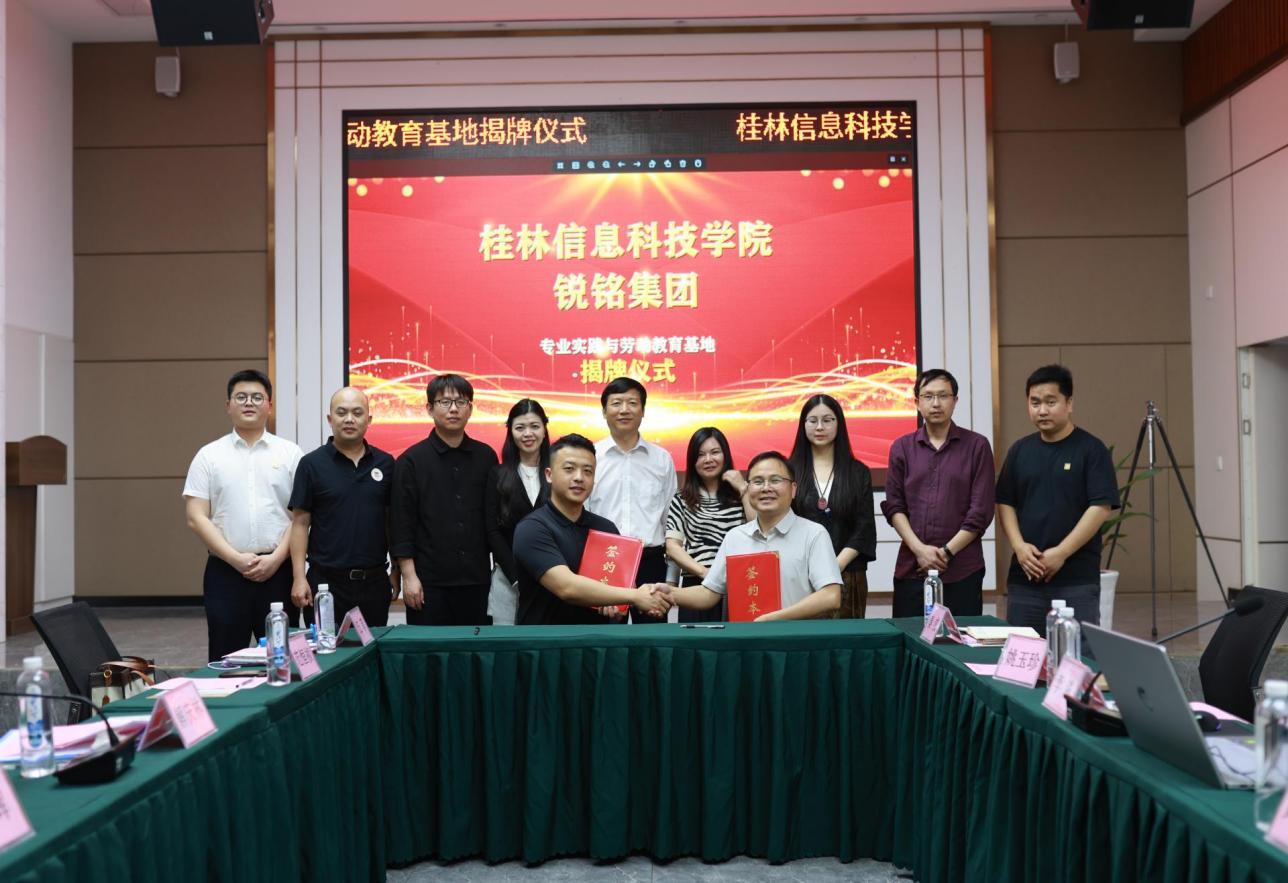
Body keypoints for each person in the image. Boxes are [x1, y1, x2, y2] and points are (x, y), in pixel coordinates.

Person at [183, 369, 303, 661]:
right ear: (228, 405)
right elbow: (196, 516)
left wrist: (276, 559)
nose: (249, 403)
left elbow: (300, 517)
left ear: (269, 405)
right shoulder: (208, 456)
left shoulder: (290, 454)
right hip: (226, 573)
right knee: (226, 659)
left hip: (279, 571)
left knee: (281, 659)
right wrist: (235, 559)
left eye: (257, 397)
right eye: (241, 397)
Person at [996, 364, 1119, 633]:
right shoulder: (1020, 450)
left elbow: (1100, 507)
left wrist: (1061, 553)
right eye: (1035, 403)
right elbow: (1005, 502)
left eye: (1051, 402)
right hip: (1025, 579)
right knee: (1024, 654)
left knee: (1076, 655)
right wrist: (1019, 547)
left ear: (1069, 403)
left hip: (1076, 581)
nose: (1042, 410)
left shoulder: (1091, 449)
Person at [513, 434, 673, 625]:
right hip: (545, 639)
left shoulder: (606, 528)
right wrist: (634, 596)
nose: (579, 477)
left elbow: (618, 595)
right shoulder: (531, 529)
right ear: (549, 475)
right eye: (569, 469)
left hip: (596, 640)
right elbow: (567, 588)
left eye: (587, 471)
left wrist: (619, 608)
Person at [664, 451, 842, 621]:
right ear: (748, 488)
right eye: (757, 481)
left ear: (793, 489)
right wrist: (667, 593)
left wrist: (774, 619)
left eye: (775, 480)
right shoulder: (735, 537)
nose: (766, 488)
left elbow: (830, 596)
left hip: (797, 639)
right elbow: (709, 593)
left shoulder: (813, 534)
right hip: (745, 640)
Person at [882, 369, 996, 618]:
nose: (936, 403)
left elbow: (981, 511)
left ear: (955, 401)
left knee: (961, 638)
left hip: (962, 569)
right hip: (913, 568)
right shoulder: (902, 447)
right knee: (909, 637)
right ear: (917, 402)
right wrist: (920, 551)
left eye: (943, 396)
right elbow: (894, 506)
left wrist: (945, 553)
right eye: (928, 396)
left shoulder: (977, 446)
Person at [390, 374, 498, 626]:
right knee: (430, 649)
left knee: (475, 647)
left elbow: (493, 520)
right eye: (445, 402)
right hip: (428, 583)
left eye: (461, 402)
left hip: (477, 581)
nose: (453, 409)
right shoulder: (411, 461)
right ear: (429, 408)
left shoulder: (486, 457)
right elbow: (401, 523)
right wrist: (409, 576)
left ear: (470, 408)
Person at [287, 387, 398, 628]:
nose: (349, 419)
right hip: (325, 585)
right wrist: (298, 577)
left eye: (357, 413)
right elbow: (300, 524)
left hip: (374, 582)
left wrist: (396, 571)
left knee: (371, 648)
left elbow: (392, 523)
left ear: (369, 419)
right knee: (326, 649)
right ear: (330, 419)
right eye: (341, 412)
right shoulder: (311, 464)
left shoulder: (386, 464)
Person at [585, 376, 678, 620]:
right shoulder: (591, 457)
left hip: (651, 562)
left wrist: (670, 579)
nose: (624, 410)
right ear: (604, 412)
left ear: (643, 411)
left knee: (651, 640)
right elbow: (581, 516)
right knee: (604, 637)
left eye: (632, 403)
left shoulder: (661, 459)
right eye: (616, 403)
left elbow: (671, 522)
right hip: (604, 561)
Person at [787, 394, 876, 618]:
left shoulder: (858, 472)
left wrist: (834, 565)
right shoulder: (788, 471)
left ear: (839, 424)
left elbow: (864, 527)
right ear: (803, 425)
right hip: (800, 575)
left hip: (848, 575)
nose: (820, 427)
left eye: (827, 420)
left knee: (845, 638)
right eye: (812, 420)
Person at [664, 427, 748, 622]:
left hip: (737, 584)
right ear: (693, 461)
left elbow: (758, 528)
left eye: (715, 452)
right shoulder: (682, 498)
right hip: (696, 585)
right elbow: (672, 546)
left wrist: (743, 487)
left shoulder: (741, 495)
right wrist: (705, 573)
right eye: (700, 455)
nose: (708, 459)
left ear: (725, 455)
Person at [484, 399, 551, 625]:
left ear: (544, 429)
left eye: (535, 426)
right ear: (510, 432)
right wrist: (515, 577)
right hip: (508, 579)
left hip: (554, 578)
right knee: (507, 641)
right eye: (520, 427)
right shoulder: (498, 474)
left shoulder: (559, 472)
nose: (528, 434)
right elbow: (492, 531)